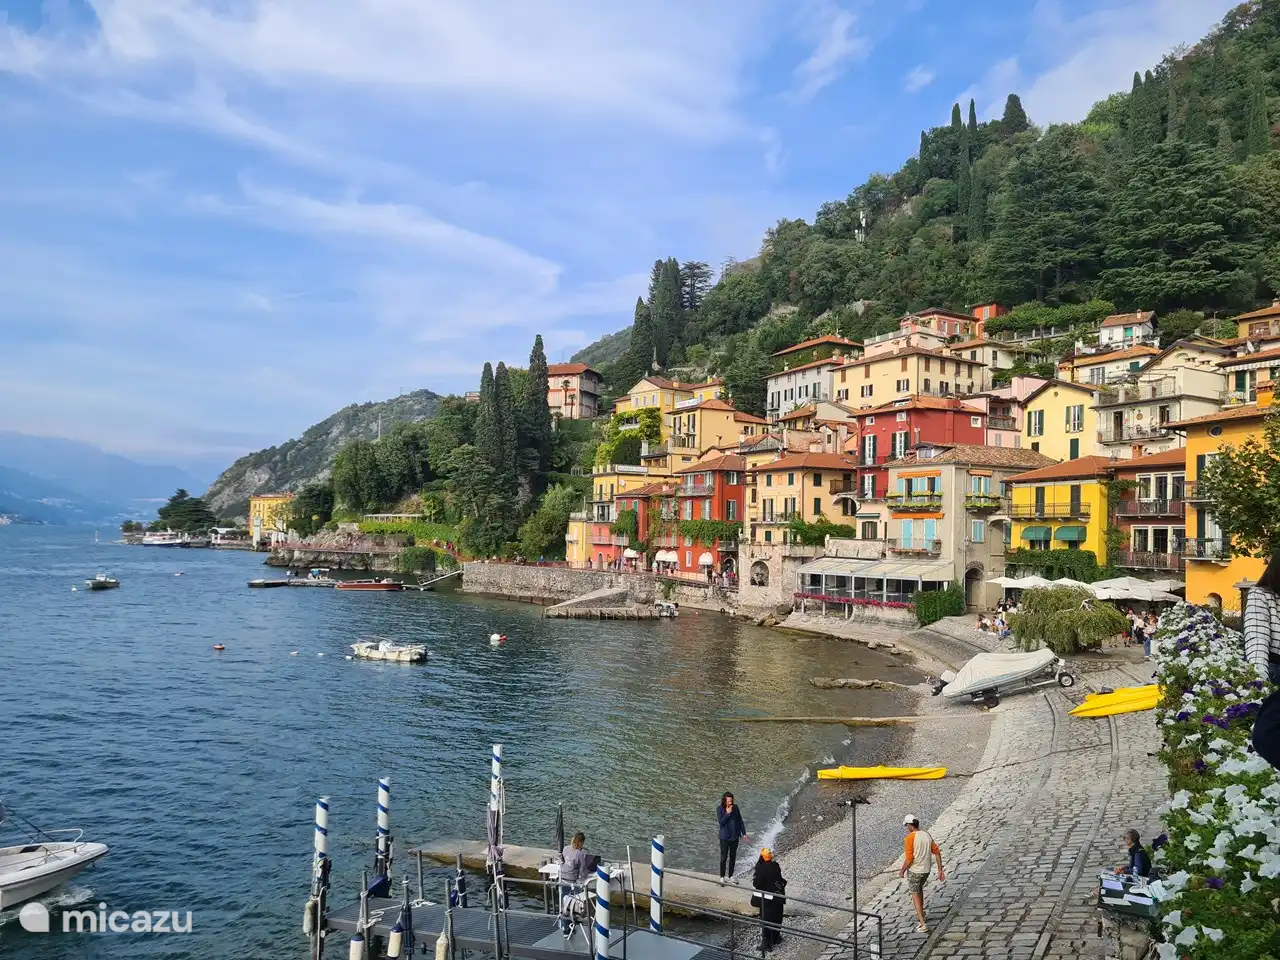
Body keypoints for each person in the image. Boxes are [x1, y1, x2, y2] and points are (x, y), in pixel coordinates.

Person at [899, 815, 945, 933]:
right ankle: (922, 914)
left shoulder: (909, 839)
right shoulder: (926, 835)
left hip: (915, 871)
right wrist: (940, 870)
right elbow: (937, 852)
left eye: (907, 826)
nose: (906, 828)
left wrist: (902, 870)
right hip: (926, 871)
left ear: (910, 825)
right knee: (919, 890)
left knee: (915, 894)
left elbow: (909, 859)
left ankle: (922, 923)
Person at [751, 848, 786, 952]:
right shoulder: (776, 865)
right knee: (777, 917)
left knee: (766, 920)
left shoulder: (760, 868)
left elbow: (756, 884)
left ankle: (766, 944)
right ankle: (776, 938)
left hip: (766, 899)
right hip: (778, 896)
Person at [559, 831, 590, 936]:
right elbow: (583, 870)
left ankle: (565, 927)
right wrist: (587, 875)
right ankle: (575, 921)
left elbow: (562, 861)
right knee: (574, 903)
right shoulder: (579, 853)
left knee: (565, 903)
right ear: (581, 842)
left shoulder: (566, 848)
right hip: (572, 881)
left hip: (562, 878)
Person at [717, 792, 749, 883]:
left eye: (731, 801)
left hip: (735, 837)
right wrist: (727, 813)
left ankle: (731, 876)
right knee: (723, 858)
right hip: (724, 838)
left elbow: (740, 821)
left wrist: (744, 833)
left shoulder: (736, 807)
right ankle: (722, 877)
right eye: (729, 801)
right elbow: (721, 823)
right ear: (724, 801)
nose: (731, 803)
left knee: (733, 857)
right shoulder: (719, 809)